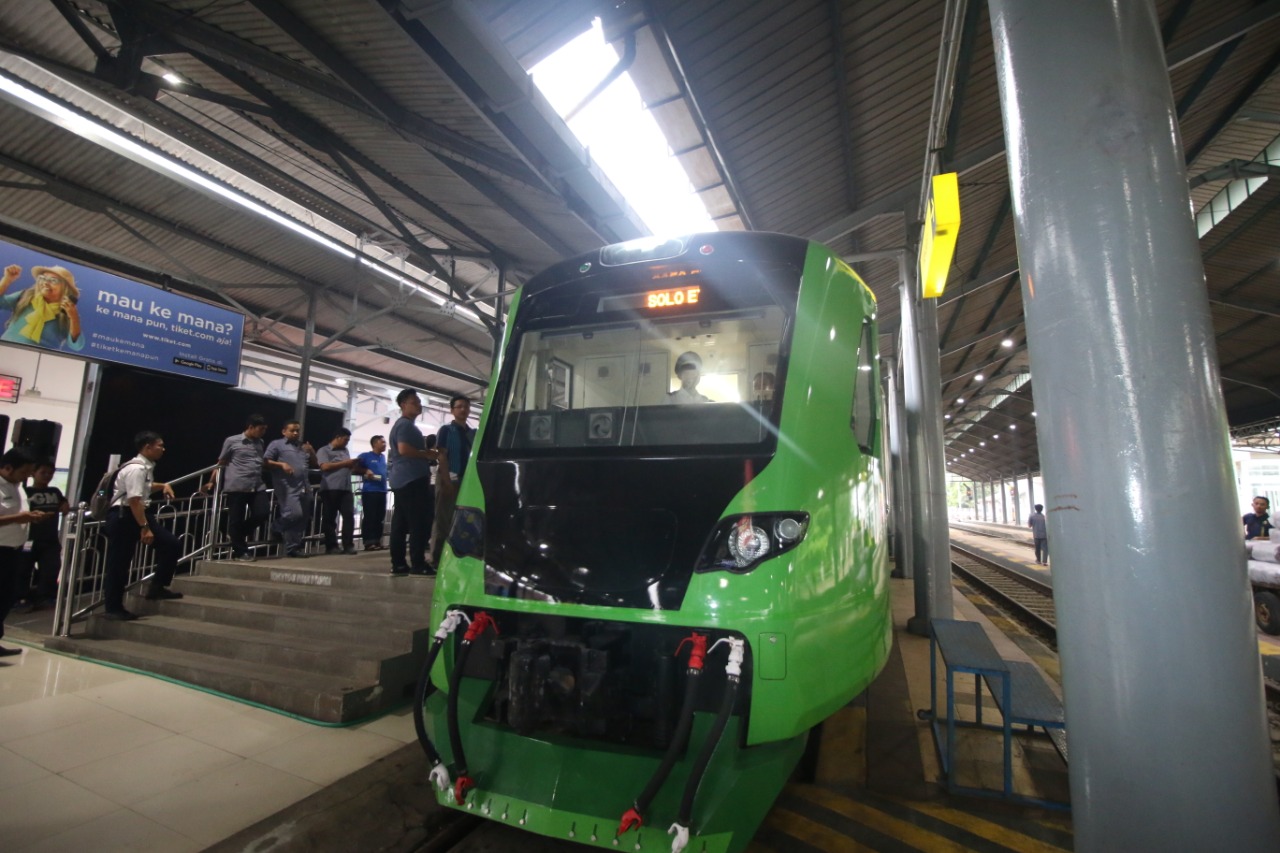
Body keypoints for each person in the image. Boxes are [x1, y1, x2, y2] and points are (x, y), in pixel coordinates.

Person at [103, 431, 183, 620]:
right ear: (147, 447)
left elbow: (143, 489)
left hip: (135, 514)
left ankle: (157, 586)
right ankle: (113, 607)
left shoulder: (144, 468)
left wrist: (163, 485)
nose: (163, 449)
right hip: (125, 516)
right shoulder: (136, 469)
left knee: (171, 544)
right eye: (159, 445)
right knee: (119, 564)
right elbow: (134, 500)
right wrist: (144, 527)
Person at [388, 389, 441, 576]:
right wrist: (426, 454)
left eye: (419, 401)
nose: (419, 405)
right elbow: (403, 449)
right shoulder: (405, 426)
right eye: (414, 402)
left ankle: (399, 564)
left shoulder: (403, 425)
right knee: (419, 522)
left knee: (400, 525)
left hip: (403, 479)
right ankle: (418, 563)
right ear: (403, 405)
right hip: (411, 479)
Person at [0, 447, 47, 654]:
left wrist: (29, 516)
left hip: (14, 550)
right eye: (24, 472)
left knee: (7, 597)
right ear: (8, 468)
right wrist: (18, 518)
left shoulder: (17, 486)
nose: (27, 476)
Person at [206, 414, 269, 562]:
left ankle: (237, 534)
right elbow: (221, 462)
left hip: (256, 484)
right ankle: (241, 552)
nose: (263, 432)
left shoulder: (260, 442)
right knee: (236, 518)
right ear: (250, 427)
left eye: (265, 429)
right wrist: (212, 481)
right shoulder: (232, 441)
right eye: (261, 429)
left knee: (263, 513)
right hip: (237, 485)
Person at [0, 264, 85, 352]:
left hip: (40, 360)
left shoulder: (68, 314)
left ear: (65, 288)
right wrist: (7, 279)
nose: (45, 283)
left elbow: (77, 345)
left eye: (53, 280)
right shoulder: (26, 296)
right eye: (43, 278)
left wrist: (74, 318)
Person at [432, 396, 475, 568]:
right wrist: (446, 481)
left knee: (464, 519)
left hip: (466, 481)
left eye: (466, 407)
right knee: (443, 519)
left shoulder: (472, 433)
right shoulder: (446, 430)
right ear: (452, 410)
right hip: (449, 479)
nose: (463, 410)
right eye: (459, 407)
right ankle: (436, 559)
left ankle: (458, 557)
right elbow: (441, 455)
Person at [263, 420, 317, 558]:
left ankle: (293, 548)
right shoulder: (277, 444)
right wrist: (281, 464)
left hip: (305, 486)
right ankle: (276, 527)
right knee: (294, 514)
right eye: (292, 430)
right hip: (287, 486)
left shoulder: (302, 446)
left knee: (303, 517)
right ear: (284, 431)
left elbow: (315, 463)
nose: (295, 433)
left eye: (297, 430)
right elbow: (265, 461)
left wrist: (311, 452)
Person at [22, 460, 69, 609]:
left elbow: (64, 505)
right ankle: (21, 598)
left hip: (49, 538)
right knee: (23, 570)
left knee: (51, 568)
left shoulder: (55, 491)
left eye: (50, 473)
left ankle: (46, 597)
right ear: (33, 473)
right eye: (43, 472)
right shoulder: (26, 492)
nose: (47, 476)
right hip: (28, 538)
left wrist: (64, 505)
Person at [317, 428, 360, 555]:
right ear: (338, 437)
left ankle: (348, 545)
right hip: (330, 488)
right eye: (346, 440)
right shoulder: (324, 450)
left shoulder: (345, 450)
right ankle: (331, 546)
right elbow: (324, 466)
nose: (347, 443)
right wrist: (345, 463)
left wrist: (352, 465)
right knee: (330, 518)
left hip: (345, 488)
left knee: (349, 516)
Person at [358, 435, 388, 551]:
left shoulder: (383, 457)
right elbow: (354, 468)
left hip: (382, 491)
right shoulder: (365, 456)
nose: (385, 444)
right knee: (370, 516)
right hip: (370, 491)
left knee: (379, 517)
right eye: (382, 442)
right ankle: (369, 542)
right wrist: (365, 471)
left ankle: (377, 541)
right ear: (375, 444)